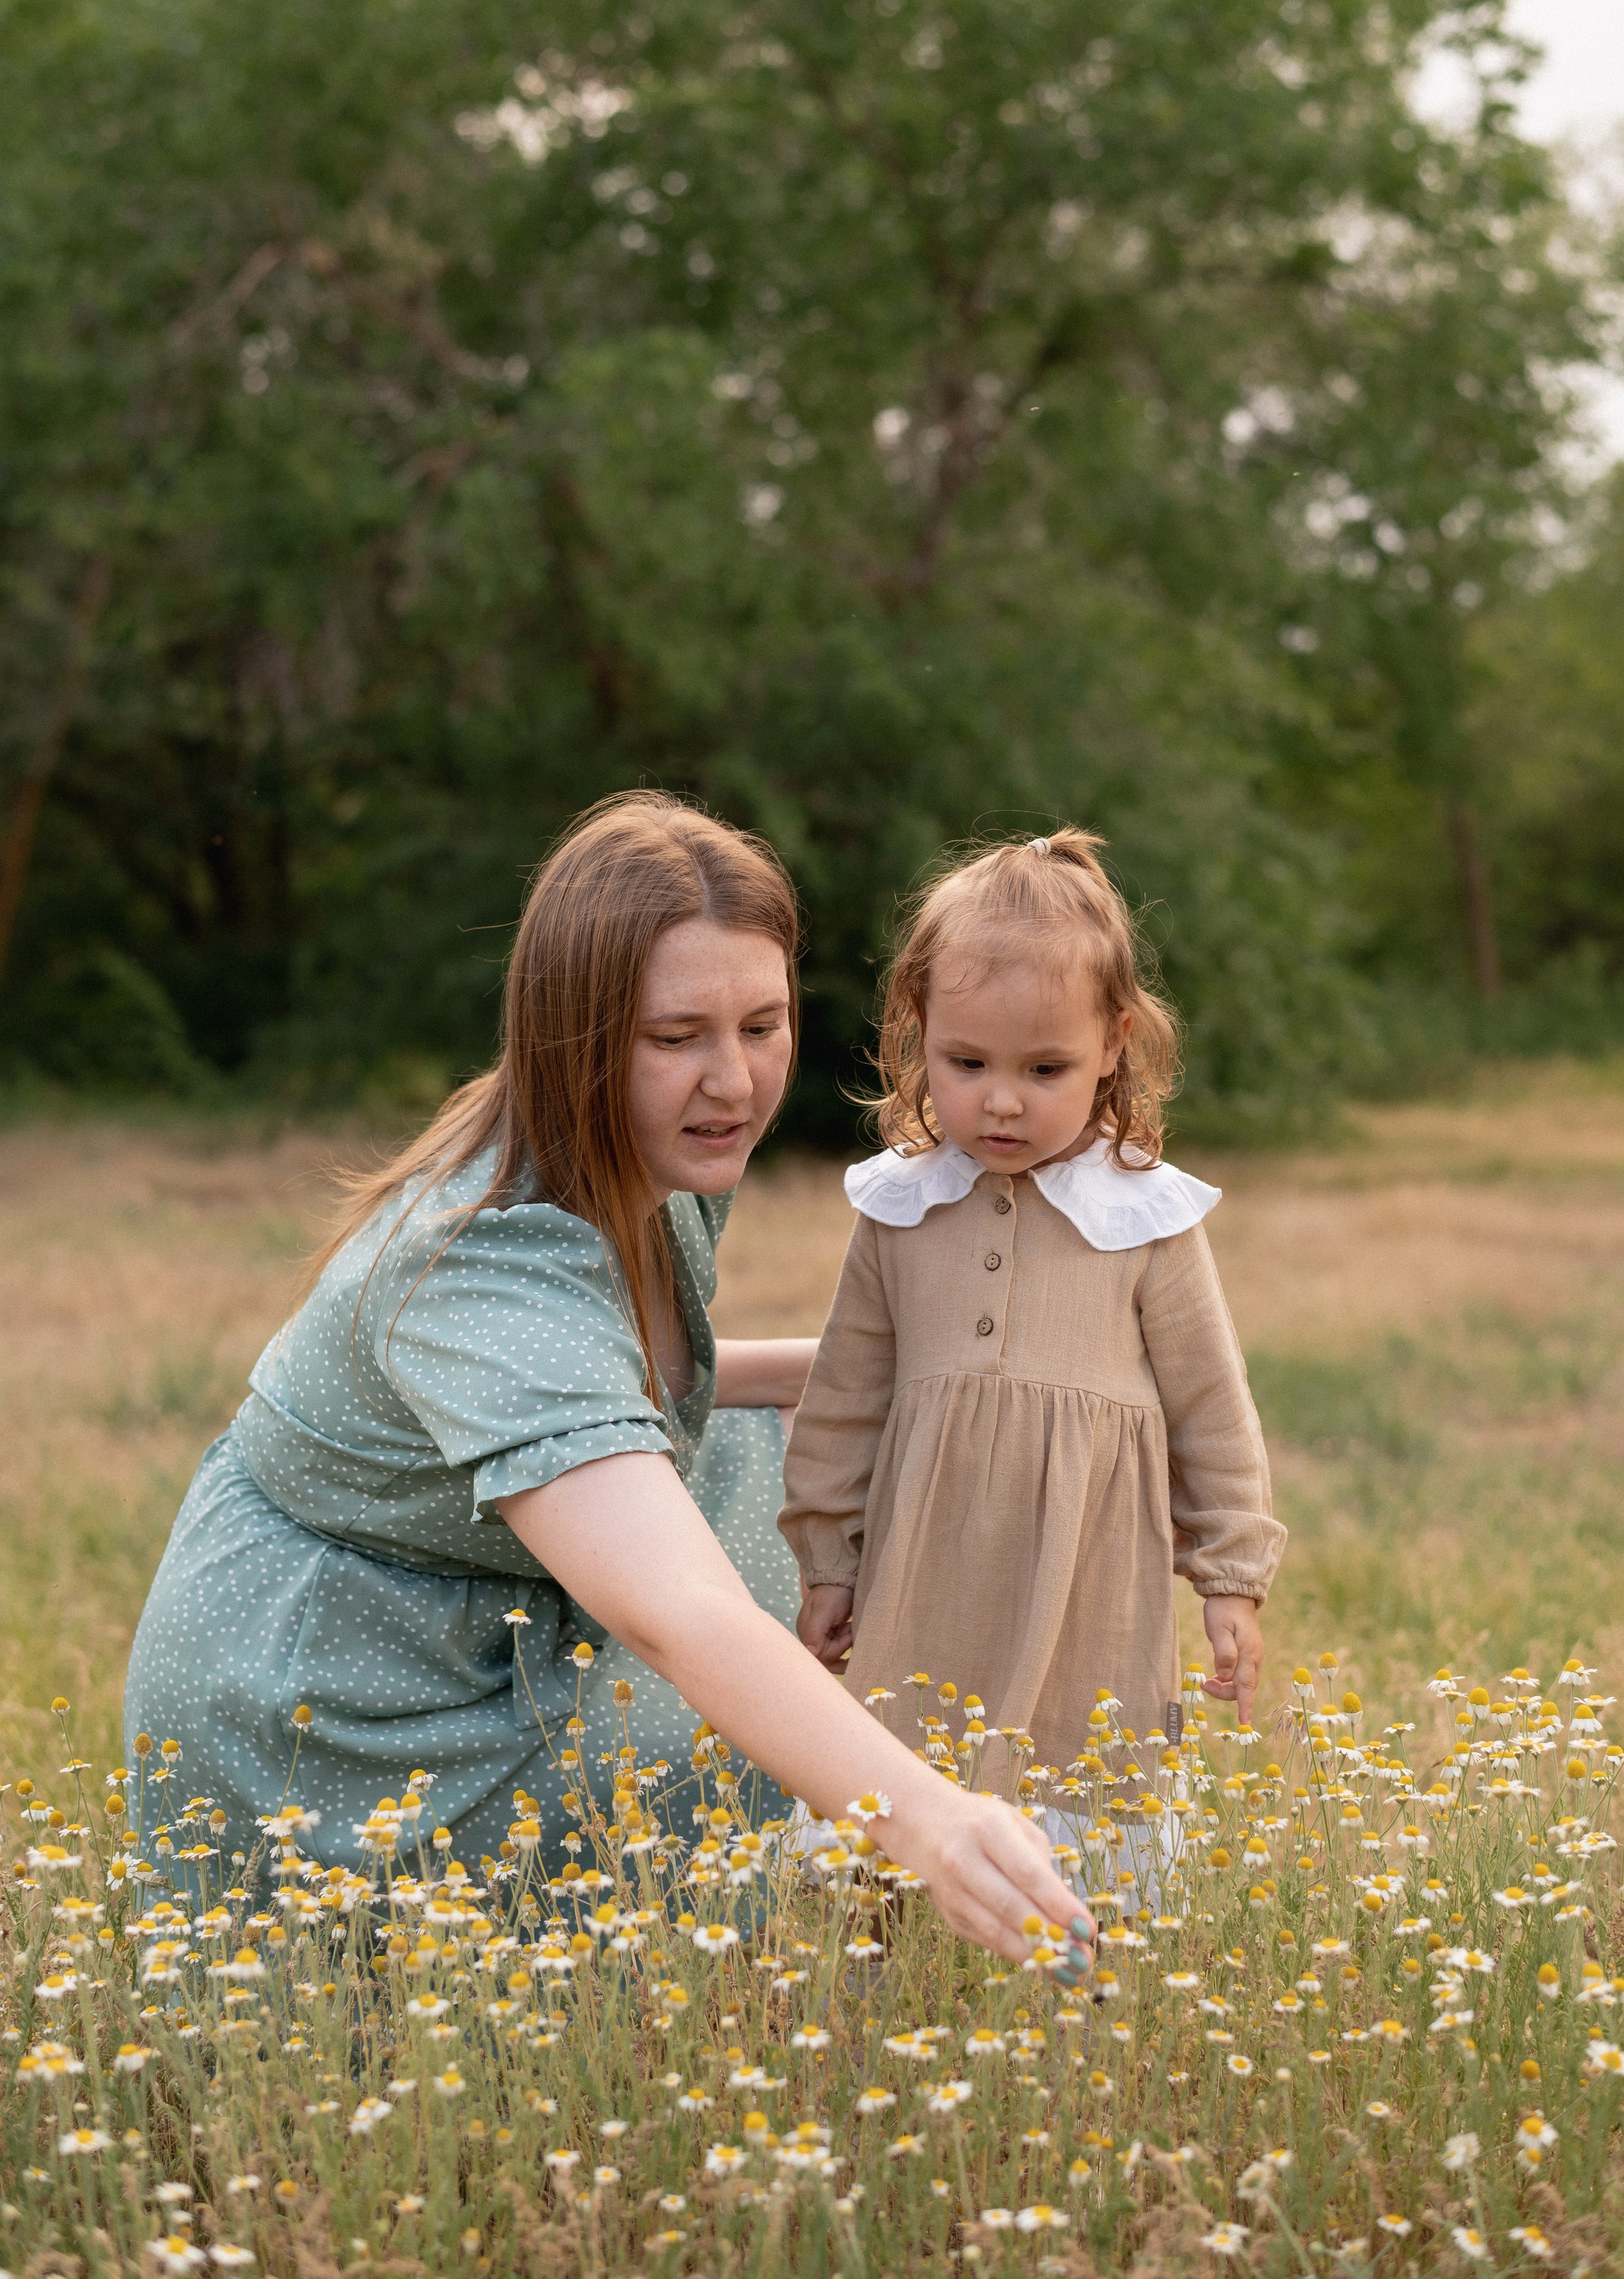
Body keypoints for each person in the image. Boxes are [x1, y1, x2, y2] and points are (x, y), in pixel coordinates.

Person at [124, 792, 1090, 1974]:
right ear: (573, 1036)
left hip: (490, 1600)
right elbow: (671, 1608)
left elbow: (644, 1389)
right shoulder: (488, 1258)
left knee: (829, 1456)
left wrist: (933, 1384)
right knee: (746, 1625)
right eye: (676, 1036)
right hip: (346, 1707)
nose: (732, 1081)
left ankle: (912, 1818)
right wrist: (925, 1821)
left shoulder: (652, 1155)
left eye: (762, 1024)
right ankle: (878, 1849)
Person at [780, 829, 1287, 1783]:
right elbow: (845, 1397)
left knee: (1080, 1758)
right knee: (902, 1747)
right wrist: (829, 1564)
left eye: (1042, 1070)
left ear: (1113, 1045)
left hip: (1086, 1569)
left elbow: (1211, 1406)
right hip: (925, 1563)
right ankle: (893, 1912)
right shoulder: (901, 1203)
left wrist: (1230, 1580)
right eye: (967, 1065)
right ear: (919, 1029)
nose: (1000, 1103)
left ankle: (1066, 1915)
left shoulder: (1145, 1214)